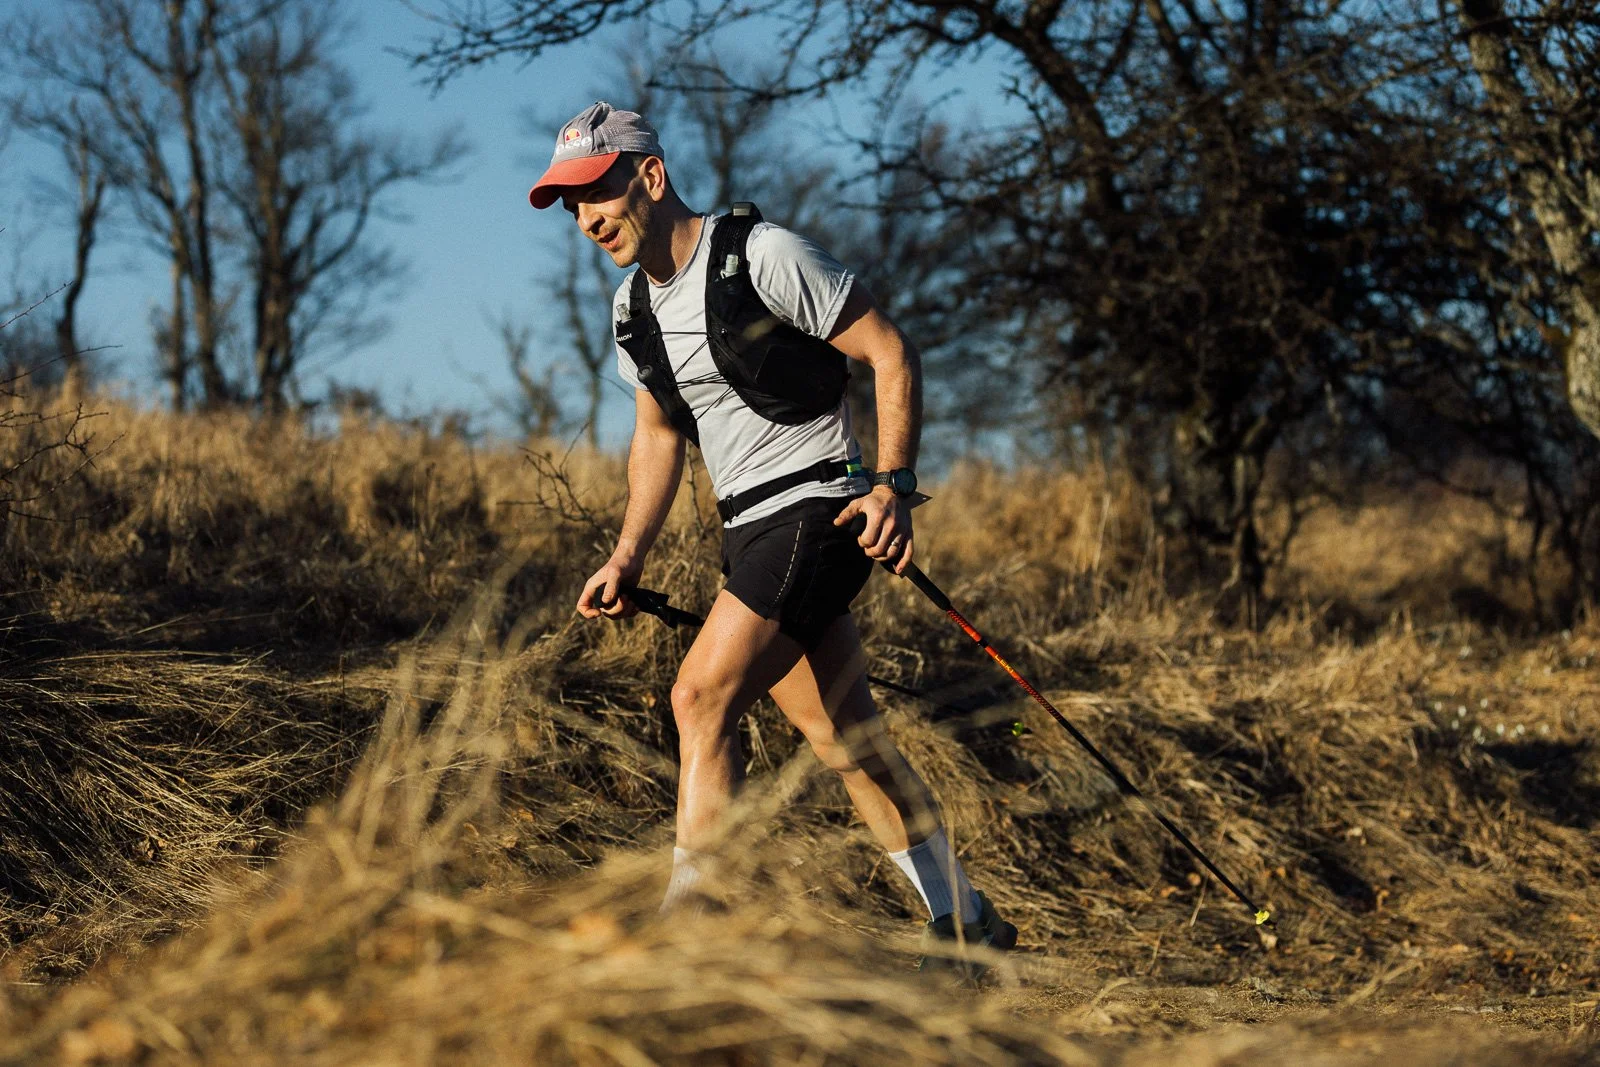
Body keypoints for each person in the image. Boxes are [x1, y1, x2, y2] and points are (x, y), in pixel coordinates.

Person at [530, 101, 1014, 970]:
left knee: (698, 698)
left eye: (595, 191)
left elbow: (890, 351)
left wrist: (893, 487)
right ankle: (967, 918)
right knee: (844, 740)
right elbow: (657, 437)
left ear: (650, 176)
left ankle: (688, 932)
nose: (585, 218)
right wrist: (627, 554)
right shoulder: (632, 310)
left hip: (819, 511)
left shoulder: (762, 254)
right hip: (749, 532)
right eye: (570, 205)